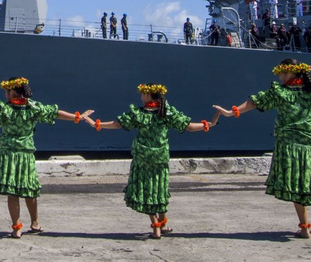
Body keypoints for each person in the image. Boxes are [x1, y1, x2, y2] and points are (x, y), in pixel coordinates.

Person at [213, 59, 311, 238]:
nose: (280, 77)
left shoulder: (280, 92)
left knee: (297, 185)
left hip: (288, 145)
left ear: (291, 72)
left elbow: (255, 102)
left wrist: (231, 112)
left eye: (282, 73)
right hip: (309, 145)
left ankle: (305, 227)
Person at [0, 77, 91, 238]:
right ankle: (35, 223)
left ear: (13, 92)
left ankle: (17, 228)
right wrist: (76, 117)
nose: (5, 94)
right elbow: (55, 113)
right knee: (29, 190)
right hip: (25, 155)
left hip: (8, 155)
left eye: (6, 91)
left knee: (13, 192)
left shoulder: (5, 110)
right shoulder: (33, 108)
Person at [84, 84, 220, 238]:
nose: (141, 98)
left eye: (143, 95)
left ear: (149, 96)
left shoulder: (139, 114)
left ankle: (157, 227)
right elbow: (188, 126)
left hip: (143, 158)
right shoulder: (166, 112)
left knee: (146, 191)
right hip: (160, 158)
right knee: (159, 189)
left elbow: (118, 124)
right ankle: (162, 224)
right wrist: (208, 124)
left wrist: (96, 124)